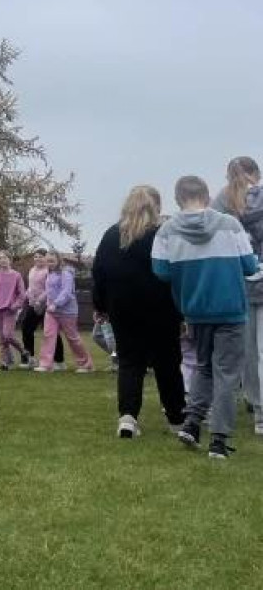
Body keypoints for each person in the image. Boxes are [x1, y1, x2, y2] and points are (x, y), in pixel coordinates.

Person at [153, 175, 259, 459]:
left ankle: (191, 422)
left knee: (203, 366)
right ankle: (219, 439)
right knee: (227, 374)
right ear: (207, 195)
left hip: (195, 308)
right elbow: (250, 266)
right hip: (230, 309)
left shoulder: (166, 231)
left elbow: (161, 271)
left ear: (177, 198)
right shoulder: (230, 224)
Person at [90, 185, 185, 439]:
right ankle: (177, 418)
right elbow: (176, 272)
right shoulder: (163, 234)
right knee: (168, 363)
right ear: (155, 207)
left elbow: (99, 272)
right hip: (162, 308)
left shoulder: (112, 235)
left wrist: (100, 305)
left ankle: (128, 418)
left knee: (129, 362)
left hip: (123, 309)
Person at [210, 157, 263, 436]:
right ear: (257, 173)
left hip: (235, 282)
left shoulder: (220, 202)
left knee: (245, 350)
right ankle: (260, 410)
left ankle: (252, 401)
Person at [35, 252, 93, 373]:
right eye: (48, 261)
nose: (49, 264)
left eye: (52, 261)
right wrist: (39, 300)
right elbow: (49, 291)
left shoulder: (66, 274)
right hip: (51, 311)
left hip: (67, 311)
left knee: (73, 338)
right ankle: (46, 364)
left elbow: (66, 292)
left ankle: (86, 364)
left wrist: (56, 304)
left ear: (58, 261)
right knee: (48, 336)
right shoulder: (49, 274)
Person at [22, 249, 64, 369]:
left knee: (51, 332)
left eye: (41, 257)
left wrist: (39, 300)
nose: (38, 259)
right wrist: (28, 297)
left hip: (46, 305)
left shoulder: (48, 271)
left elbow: (48, 289)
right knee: (26, 328)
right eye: (35, 257)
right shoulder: (31, 270)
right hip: (32, 305)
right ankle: (30, 358)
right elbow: (30, 287)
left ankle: (59, 361)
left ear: (46, 258)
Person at [0, 252, 28, 370]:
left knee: (8, 335)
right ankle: (5, 363)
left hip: (9, 309)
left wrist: (15, 306)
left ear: (10, 259)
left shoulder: (16, 275)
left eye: (4, 258)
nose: (2, 260)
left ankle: (23, 351)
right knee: (1, 338)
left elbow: (22, 294)